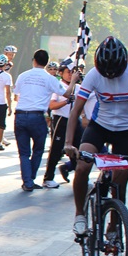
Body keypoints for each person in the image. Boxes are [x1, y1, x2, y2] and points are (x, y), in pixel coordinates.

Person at [64, 36, 128, 235]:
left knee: (120, 183)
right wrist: (69, 143)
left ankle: (114, 226)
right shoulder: (94, 75)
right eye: (107, 73)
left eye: (115, 72)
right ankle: (79, 214)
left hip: (125, 130)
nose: (111, 76)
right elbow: (75, 111)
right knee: (82, 165)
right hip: (99, 127)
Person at [11, 50, 77, 192]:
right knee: (38, 150)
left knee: (24, 152)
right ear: (46, 63)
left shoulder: (23, 75)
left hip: (20, 115)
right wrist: (73, 81)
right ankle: (30, 179)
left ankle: (28, 181)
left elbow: (16, 94)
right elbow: (67, 93)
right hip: (37, 116)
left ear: (34, 60)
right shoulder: (50, 79)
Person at [42, 58, 82, 188]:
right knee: (56, 150)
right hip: (61, 120)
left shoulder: (78, 87)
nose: (71, 75)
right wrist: (66, 101)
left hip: (75, 121)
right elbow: (52, 105)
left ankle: (80, 177)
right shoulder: (58, 86)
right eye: (68, 72)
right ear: (61, 73)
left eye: (73, 72)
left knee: (79, 149)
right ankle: (48, 178)